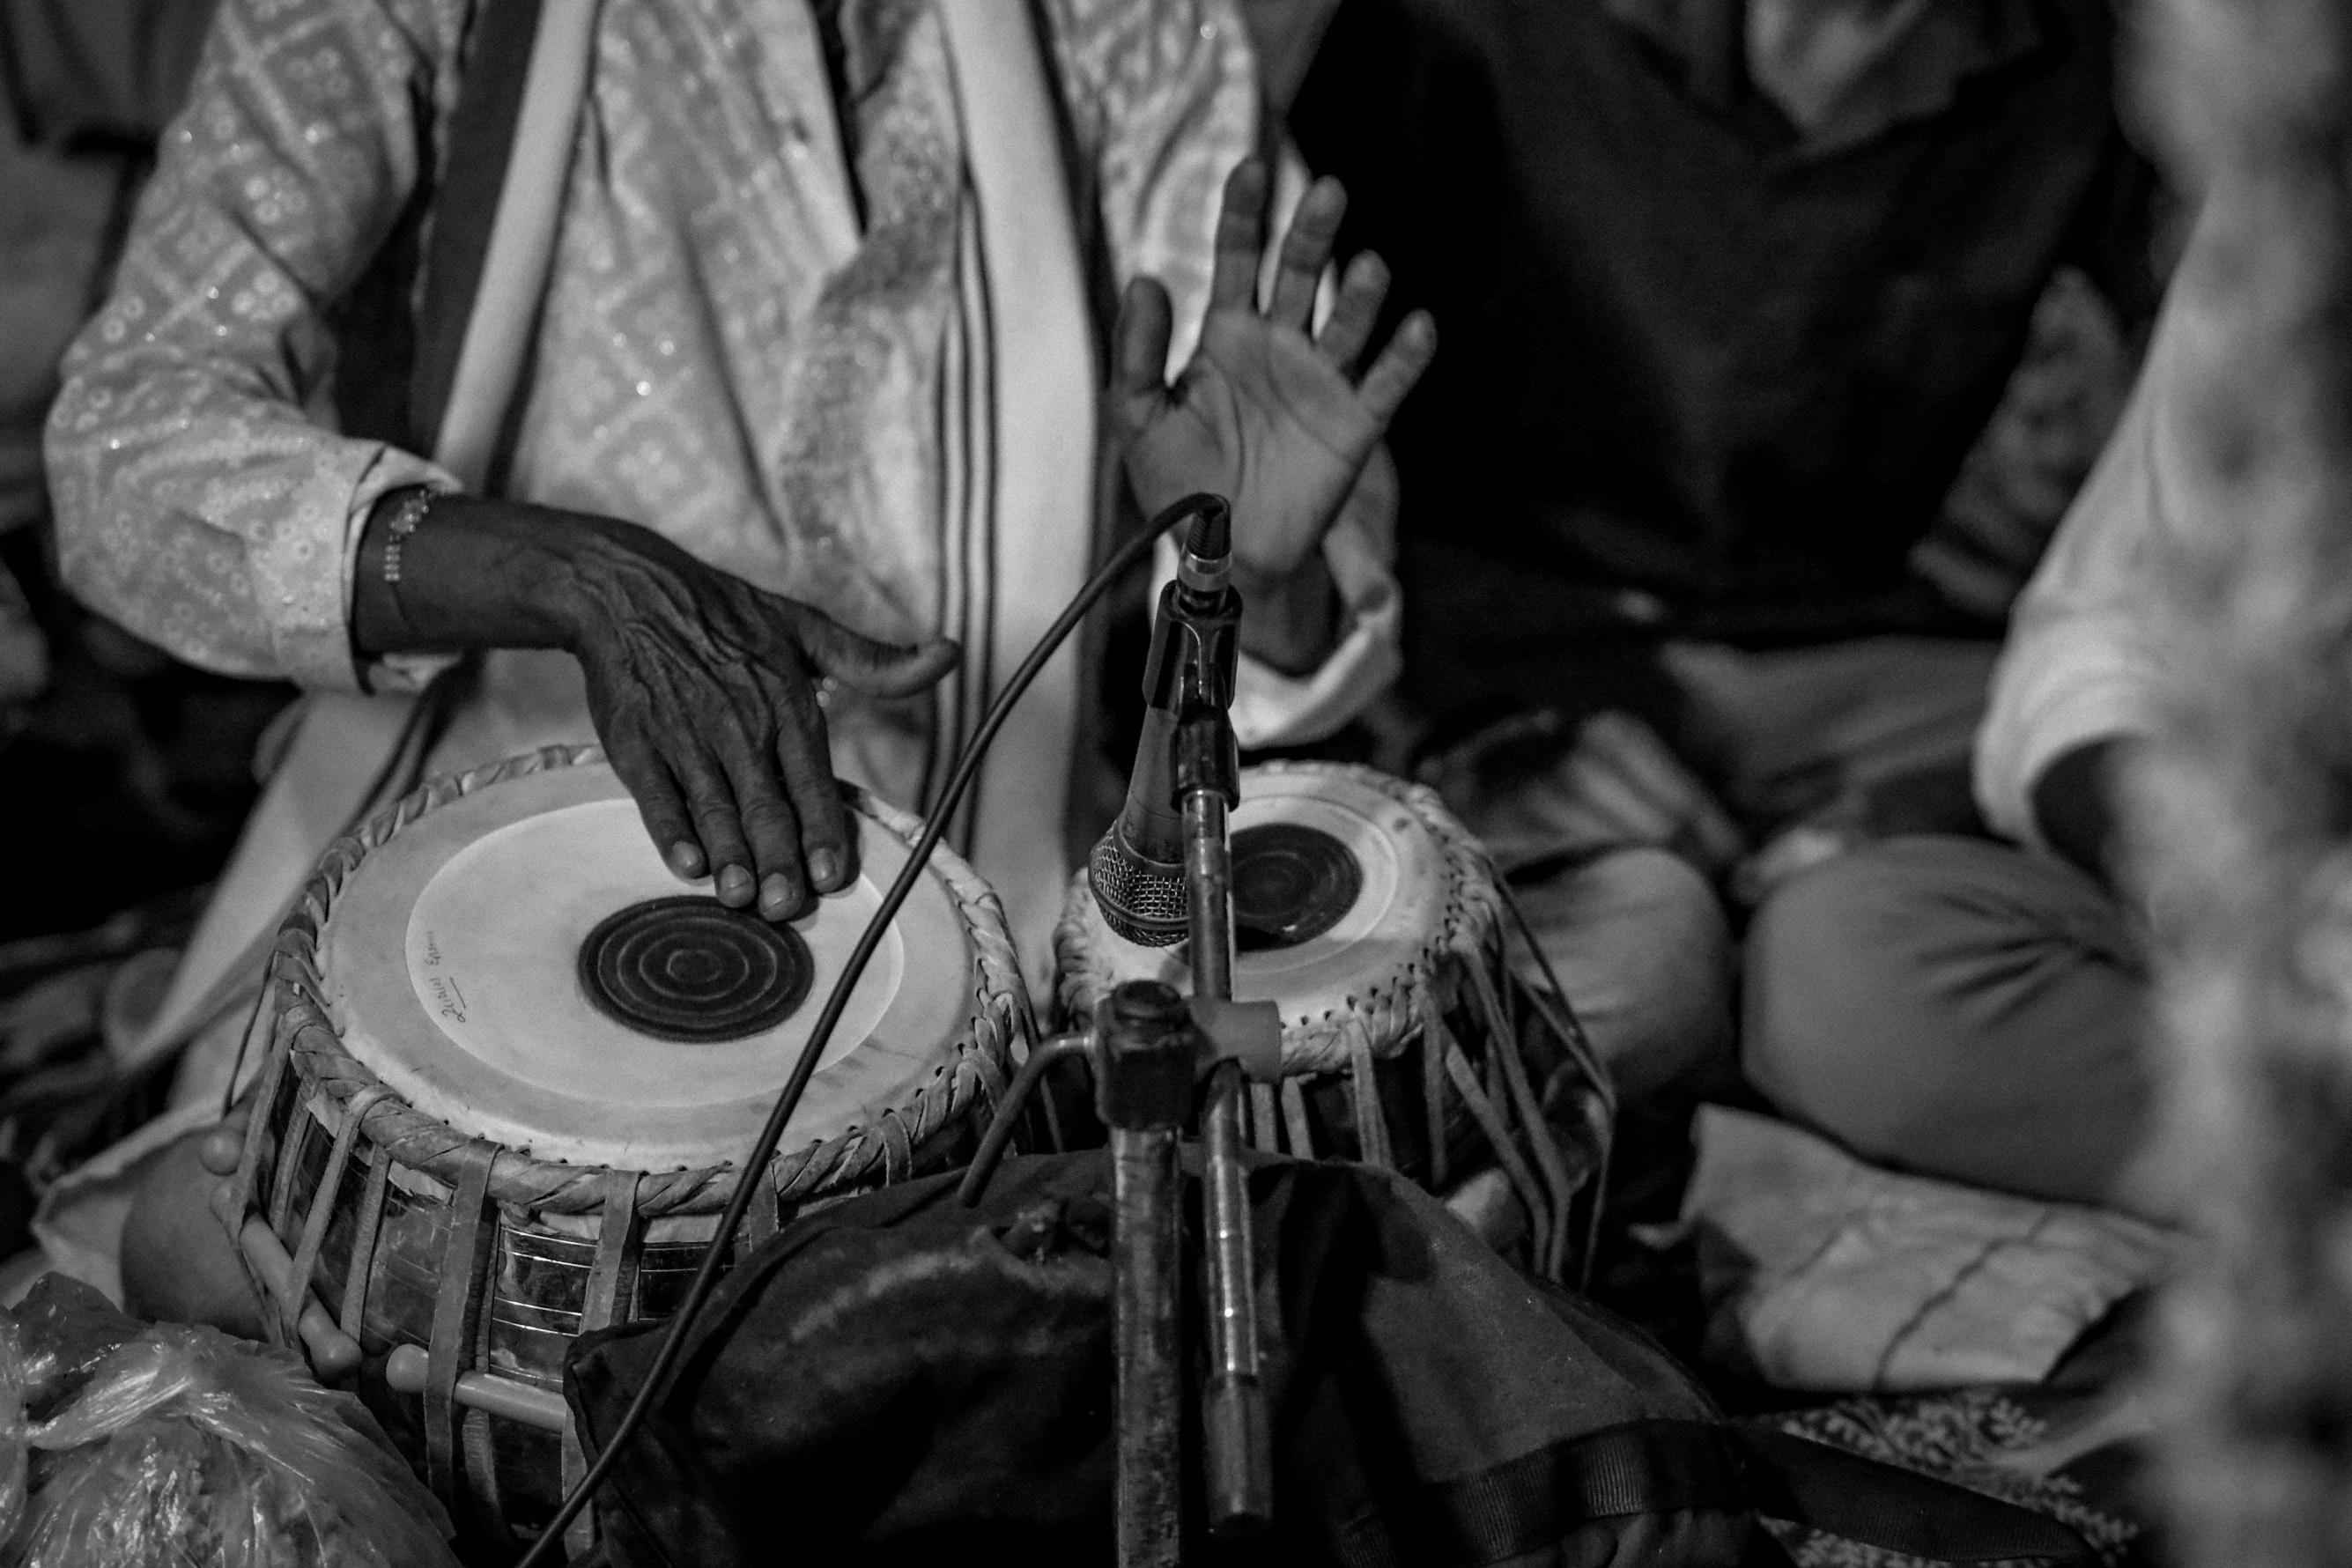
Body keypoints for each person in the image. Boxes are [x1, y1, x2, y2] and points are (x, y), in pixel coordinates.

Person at [40, 0, 1437, 1324]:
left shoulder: (1120, 27)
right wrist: (574, 575)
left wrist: (1244, 573)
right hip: (489, 911)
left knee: (1652, 942)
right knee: (200, 1238)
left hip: (998, 938)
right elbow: (121, 451)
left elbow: (1281, 660)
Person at [1282, 0, 2165, 1100]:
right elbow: (1305, 491)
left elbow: (2225, 377)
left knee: (2154, 744)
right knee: (1614, 945)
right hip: (1494, 646)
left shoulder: (2088, 61)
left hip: (1843, 660)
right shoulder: (1459, 30)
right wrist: (1475, 737)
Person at [1738, 202, 2229, 1217]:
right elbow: (2104, 624)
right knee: (1840, 973)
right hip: (2279, 926)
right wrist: (2172, 856)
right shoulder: (2291, 217)